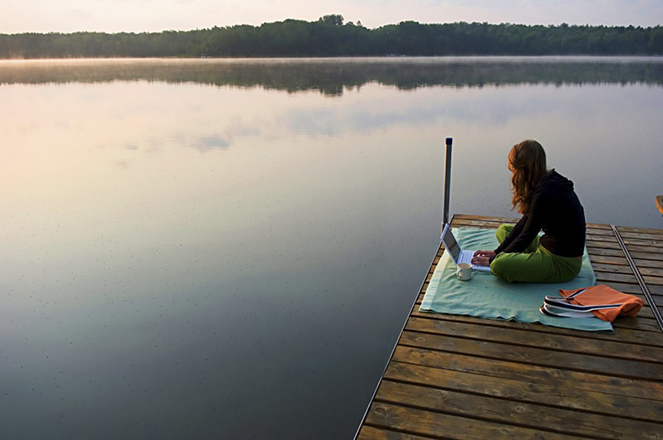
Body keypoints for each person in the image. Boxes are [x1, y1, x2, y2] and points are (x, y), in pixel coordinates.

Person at [471, 140, 586, 283]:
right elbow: (525, 221)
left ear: (523, 170)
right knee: (503, 231)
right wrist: (498, 251)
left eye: (514, 171)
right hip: (546, 246)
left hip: (562, 263)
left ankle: (519, 262)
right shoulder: (546, 181)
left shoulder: (546, 194)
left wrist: (495, 259)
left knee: (499, 265)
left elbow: (527, 235)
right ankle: (522, 261)